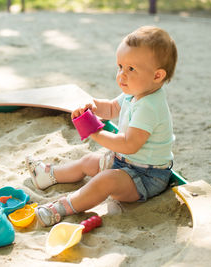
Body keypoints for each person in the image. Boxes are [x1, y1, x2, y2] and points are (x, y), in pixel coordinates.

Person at [26, 25, 178, 227]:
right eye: (120, 67)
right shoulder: (135, 92)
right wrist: (94, 106)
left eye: (131, 69)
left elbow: (128, 145)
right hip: (125, 164)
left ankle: (62, 208)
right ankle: (49, 175)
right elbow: (113, 107)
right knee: (89, 161)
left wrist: (95, 132)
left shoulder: (149, 107)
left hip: (147, 177)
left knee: (106, 181)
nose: (122, 75)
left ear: (157, 75)